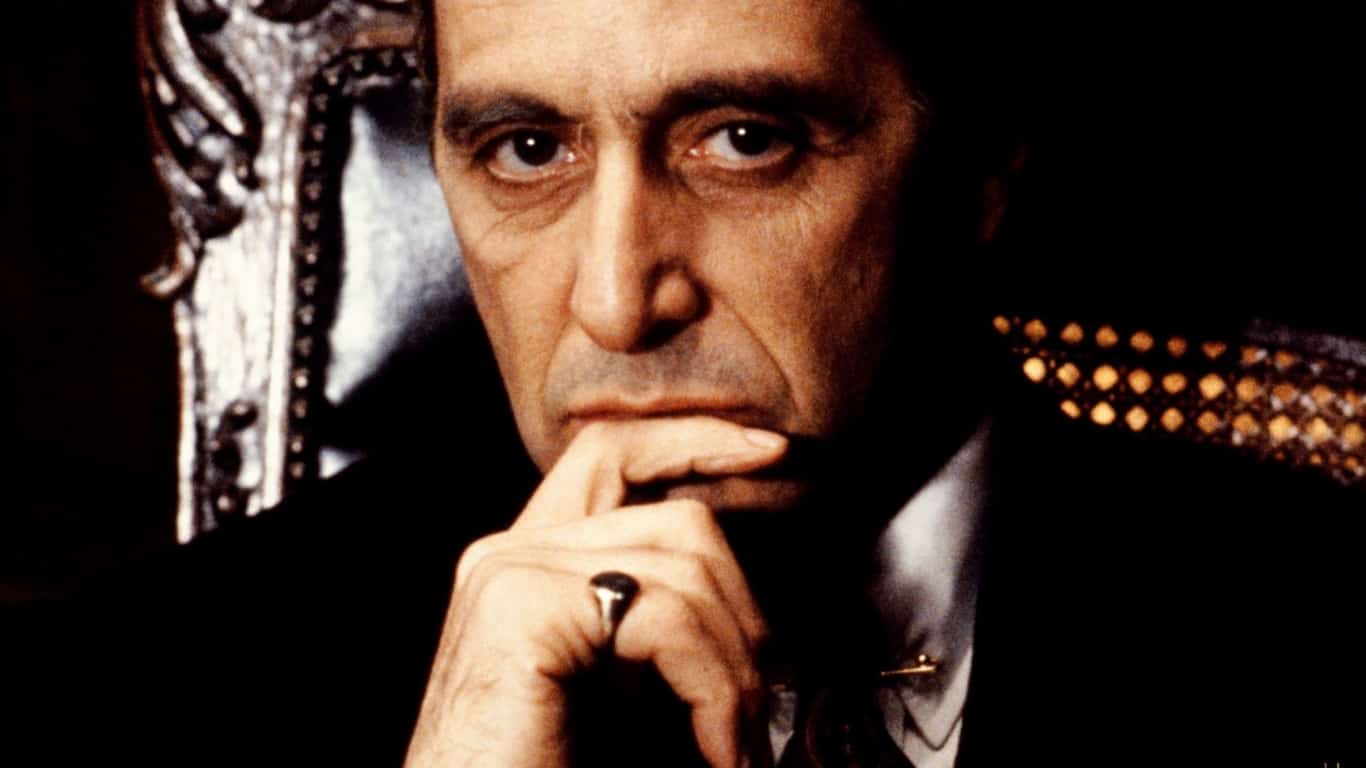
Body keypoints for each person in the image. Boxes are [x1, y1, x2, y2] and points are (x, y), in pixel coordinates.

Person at [8, 1, 1361, 766]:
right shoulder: (140, 694)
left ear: (980, 169)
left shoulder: (1316, 633)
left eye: (745, 139)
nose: (614, 300)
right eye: (526, 148)